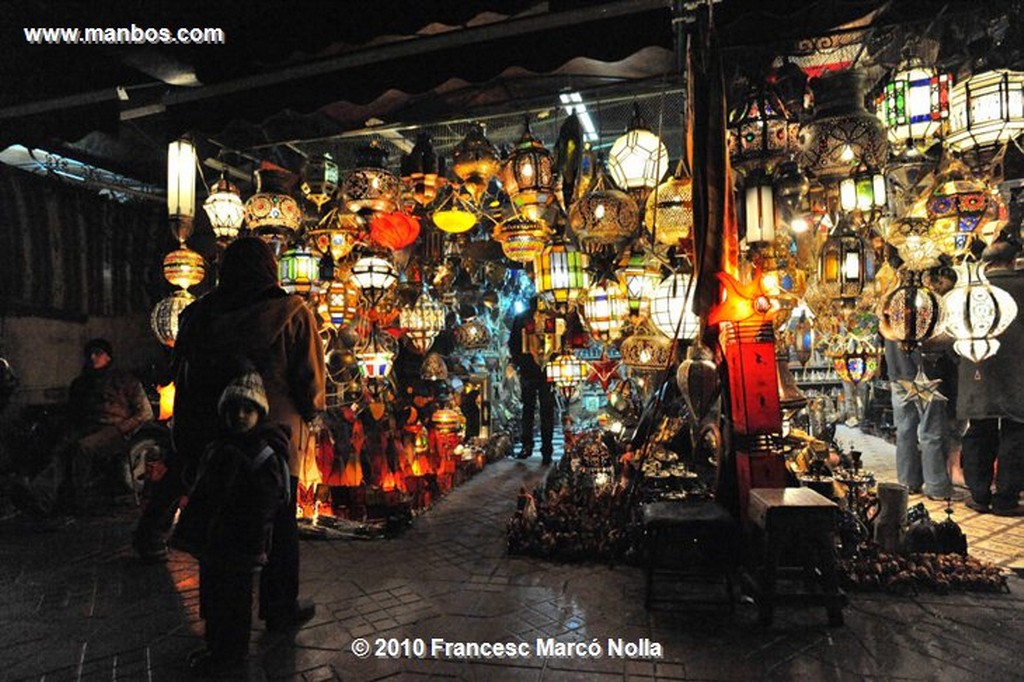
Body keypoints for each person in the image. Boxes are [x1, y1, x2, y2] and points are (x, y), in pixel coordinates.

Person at [133, 237, 327, 631]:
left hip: (213, 438)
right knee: (280, 524)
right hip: (275, 439)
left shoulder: (199, 315)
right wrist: (312, 413)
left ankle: (221, 621)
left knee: (218, 525)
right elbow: (309, 380)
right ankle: (279, 607)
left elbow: (182, 371)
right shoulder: (292, 313)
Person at [172, 368, 292, 674]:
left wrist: (246, 531)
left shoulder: (262, 455)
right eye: (233, 409)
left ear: (259, 413)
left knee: (235, 604)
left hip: (239, 543)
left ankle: (231, 656)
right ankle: (216, 648)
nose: (239, 415)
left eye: (248, 409)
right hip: (212, 542)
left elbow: (267, 502)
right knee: (212, 598)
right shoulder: (218, 446)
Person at [17, 338, 153, 514]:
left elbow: (145, 413)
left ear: (108, 357)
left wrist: (123, 428)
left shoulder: (125, 380)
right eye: (90, 353)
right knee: (61, 448)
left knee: (83, 448)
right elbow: (75, 411)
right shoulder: (82, 383)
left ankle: (78, 500)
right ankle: (41, 496)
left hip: (114, 430)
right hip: (87, 427)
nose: (92, 357)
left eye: (98, 353)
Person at [957, 235, 1024, 516]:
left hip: (978, 370)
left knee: (979, 430)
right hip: (1018, 374)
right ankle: (1006, 499)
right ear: (1012, 260)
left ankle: (980, 494)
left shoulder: (969, 292)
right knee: (1016, 432)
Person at [508, 296, 555, 464]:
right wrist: (519, 362)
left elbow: (559, 343)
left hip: (548, 371)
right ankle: (527, 445)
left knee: (545, 410)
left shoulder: (553, 318)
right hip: (529, 369)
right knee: (529, 409)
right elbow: (513, 343)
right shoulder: (522, 319)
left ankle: (546, 449)